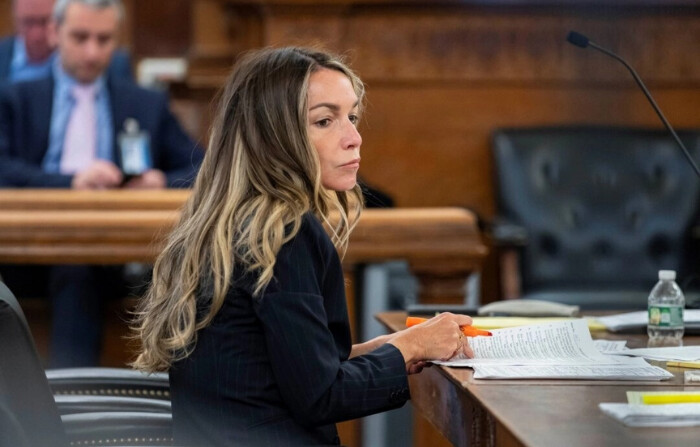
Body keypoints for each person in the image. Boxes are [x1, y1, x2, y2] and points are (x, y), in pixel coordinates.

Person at [131, 47, 473, 446]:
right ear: (275, 135)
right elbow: (322, 396)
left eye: (353, 116)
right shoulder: (283, 233)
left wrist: (391, 349)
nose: (353, 138)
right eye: (325, 121)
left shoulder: (230, 221)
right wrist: (413, 344)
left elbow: (273, 371)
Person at [0, 0, 203, 367]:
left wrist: (160, 181)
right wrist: (70, 182)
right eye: (80, 37)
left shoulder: (146, 103)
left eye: (104, 39)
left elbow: (202, 168)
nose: (92, 52)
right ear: (54, 33)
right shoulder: (17, 99)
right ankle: (68, 409)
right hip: (31, 247)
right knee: (75, 264)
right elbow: (3, 168)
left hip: (119, 250)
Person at [0, 0, 131, 84]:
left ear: (57, 26)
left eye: (44, 21)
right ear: (14, 19)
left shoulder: (109, 64)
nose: (36, 35)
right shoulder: (3, 56)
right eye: (28, 22)